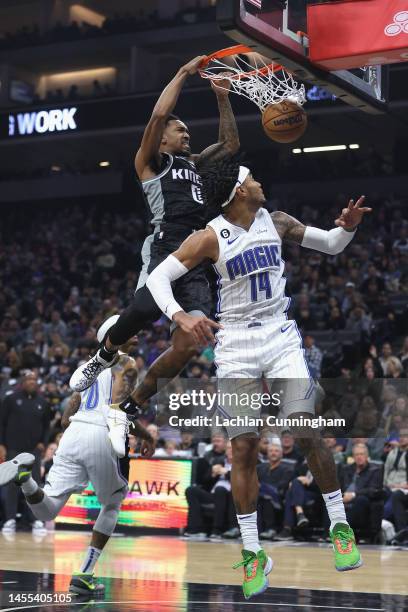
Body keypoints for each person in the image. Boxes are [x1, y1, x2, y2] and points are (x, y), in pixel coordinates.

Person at [144, 154, 371, 599]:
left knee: (306, 430)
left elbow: (330, 244)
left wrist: (346, 226)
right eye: (254, 178)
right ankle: (252, 552)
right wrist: (180, 316)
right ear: (238, 191)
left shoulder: (278, 220)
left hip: (280, 336)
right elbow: (158, 278)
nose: (261, 182)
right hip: (236, 346)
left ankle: (339, 528)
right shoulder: (210, 236)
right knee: (243, 447)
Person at [69, 54, 239, 422]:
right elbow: (159, 116)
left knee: (193, 341)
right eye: (181, 131)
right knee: (144, 309)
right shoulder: (151, 162)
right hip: (166, 244)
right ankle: (102, 356)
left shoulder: (195, 163)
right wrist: (182, 73)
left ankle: (136, 403)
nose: (187, 135)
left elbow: (229, 144)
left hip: (200, 254)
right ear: (162, 139)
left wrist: (223, 96)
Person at [0, 325, 155, 596]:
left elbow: (66, 413)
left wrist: (74, 431)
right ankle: (84, 573)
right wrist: (146, 436)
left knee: (46, 510)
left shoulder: (90, 366)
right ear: (113, 335)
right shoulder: (127, 362)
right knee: (113, 502)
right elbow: (118, 408)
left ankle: (25, 479)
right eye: (130, 329)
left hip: (73, 432)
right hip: (101, 433)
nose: (137, 333)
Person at [0, 371, 50, 535]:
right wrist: (1, 444)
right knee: (12, 486)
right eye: (29, 379)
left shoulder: (43, 402)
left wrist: (43, 441)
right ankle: (10, 520)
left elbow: (47, 426)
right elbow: (2, 423)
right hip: (13, 449)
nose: (32, 382)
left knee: (34, 485)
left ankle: (36, 521)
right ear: (23, 382)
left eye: (34, 379)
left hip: (33, 451)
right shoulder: (11, 399)